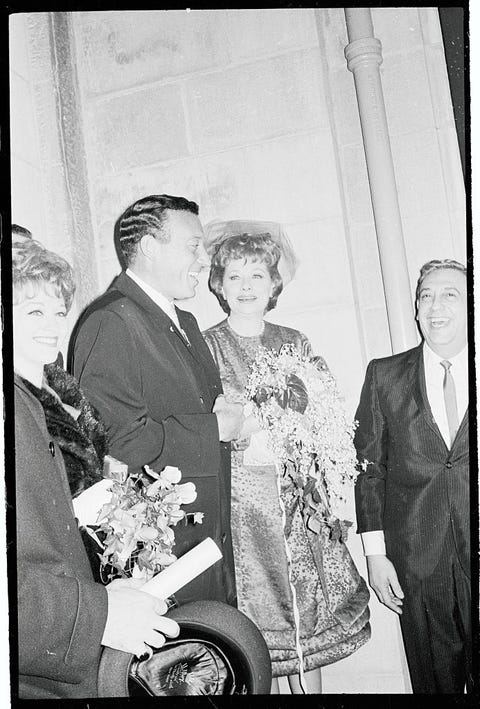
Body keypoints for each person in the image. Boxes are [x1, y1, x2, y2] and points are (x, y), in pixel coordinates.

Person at [202, 221, 371, 694]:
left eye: (257, 274)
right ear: (219, 284)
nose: (247, 286)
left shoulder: (293, 339)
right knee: (261, 618)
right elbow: (213, 424)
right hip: (243, 506)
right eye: (235, 276)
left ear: (274, 282)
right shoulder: (208, 345)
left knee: (305, 619)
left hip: (298, 501)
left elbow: (322, 412)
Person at [13, 236, 180, 699]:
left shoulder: (41, 395)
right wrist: (102, 614)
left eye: (57, 310)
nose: (52, 326)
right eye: (32, 312)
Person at [69, 195, 243, 608]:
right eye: (193, 246)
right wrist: (214, 428)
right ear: (149, 247)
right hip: (160, 558)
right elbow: (116, 443)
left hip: (204, 543)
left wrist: (225, 419)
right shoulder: (110, 319)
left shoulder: (185, 322)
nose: (204, 259)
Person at [354, 259, 470, 694]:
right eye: (426, 297)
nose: (435, 307)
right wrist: (375, 554)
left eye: (449, 295)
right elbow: (369, 470)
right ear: (416, 309)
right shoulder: (384, 375)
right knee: (434, 683)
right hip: (418, 562)